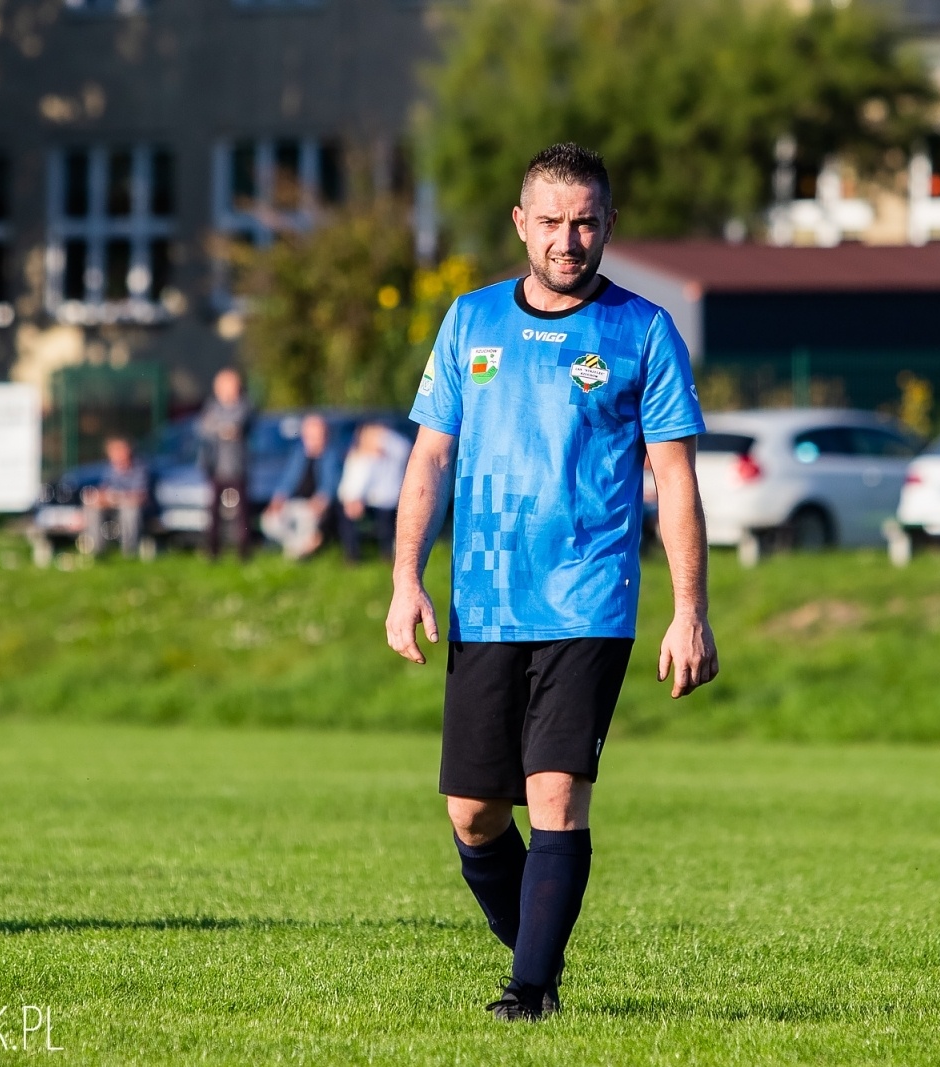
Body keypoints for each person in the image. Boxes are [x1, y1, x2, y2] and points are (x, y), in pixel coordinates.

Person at [385, 143, 719, 1022]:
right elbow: (431, 456)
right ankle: (541, 952)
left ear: (607, 224)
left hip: (588, 600)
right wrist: (403, 578)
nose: (568, 240)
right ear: (520, 224)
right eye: (552, 222)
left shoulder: (642, 331)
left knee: (556, 794)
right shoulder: (470, 321)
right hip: (485, 600)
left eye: (585, 222)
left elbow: (675, 481)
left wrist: (690, 612)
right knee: (473, 815)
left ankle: (526, 991)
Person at [261, 413, 341, 561]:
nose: (313, 440)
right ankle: (300, 548)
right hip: (293, 502)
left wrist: (321, 502)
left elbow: (330, 485)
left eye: (317, 436)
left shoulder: (331, 456)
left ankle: (295, 555)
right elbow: (287, 480)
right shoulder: (298, 454)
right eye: (310, 436)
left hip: (312, 505)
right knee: (269, 521)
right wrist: (278, 499)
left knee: (307, 519)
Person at [198, 368, 253, 560]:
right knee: (214, 513)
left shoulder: (244, 406)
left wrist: (218, 427)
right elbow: (203, 428)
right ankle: (213, 551)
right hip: (216, 468)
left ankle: (243, 552)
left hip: (237, 468)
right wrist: (222, 429)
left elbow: (235, 427)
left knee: (241, 514)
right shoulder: (211, 406)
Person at [337, 422, 410, 563]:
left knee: (387, 527)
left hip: (388, 500)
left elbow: (403, 449)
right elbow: (354, 482)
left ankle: (388, 556)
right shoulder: (360, 456)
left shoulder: (391, 452)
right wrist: (352, 499)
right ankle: (353, 556)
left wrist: (384, 437)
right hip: (367, 500)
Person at [81, 436, 149, 557]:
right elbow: (104, 489)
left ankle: (129, 552)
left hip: (133, 508)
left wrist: (115, 498)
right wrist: (100, 498)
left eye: (119, 451)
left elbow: (139, 497)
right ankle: (97, 550)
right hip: (113, 507)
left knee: (130, 511)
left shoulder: (139, 468)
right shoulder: (110, 469)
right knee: (92, 508)